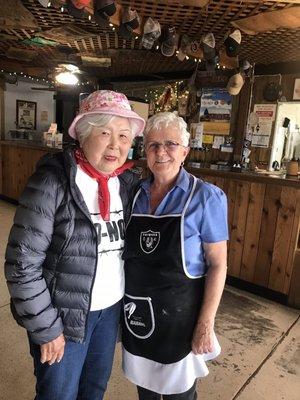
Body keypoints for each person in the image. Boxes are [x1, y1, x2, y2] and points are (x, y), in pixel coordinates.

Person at [5, 90, 145, 400]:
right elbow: (22, 265)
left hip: (109, 313)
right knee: (58, 395)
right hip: (63, 316)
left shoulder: (127, 185)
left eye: (124, 136)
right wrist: (46, 328)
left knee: (93, 391)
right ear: (83, 134)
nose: (116, 144)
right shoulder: (53, 182)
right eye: (105, 132)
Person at [122, 112, 228, 400]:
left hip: (180, 321)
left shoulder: (206, 197)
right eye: (153, 145)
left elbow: (218, 265)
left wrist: (205, 325)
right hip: (138, 316)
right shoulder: (134, 193)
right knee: (144, 391)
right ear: (145, 152)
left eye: (170, 144)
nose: (161, 152)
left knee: (180, 395)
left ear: (185, 150)